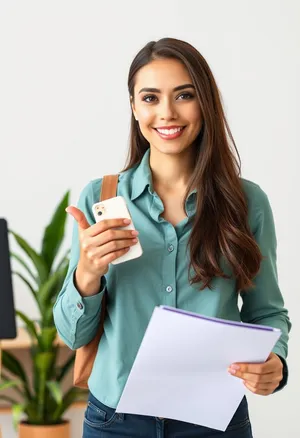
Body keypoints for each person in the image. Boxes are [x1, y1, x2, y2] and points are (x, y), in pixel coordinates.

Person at [53, 37, 291, 438]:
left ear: (206, 104)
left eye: (184, 95)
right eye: (150, 98)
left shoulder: (248, 202)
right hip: (115, 423)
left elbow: (266, 312)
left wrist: (275, 363)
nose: (166, 113)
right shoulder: (101, 198)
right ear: (133, 107)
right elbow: (72, 335)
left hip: (215, 423)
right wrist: (87, 274)